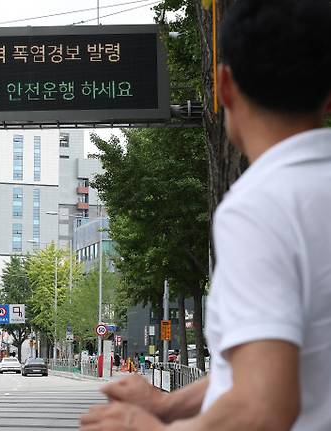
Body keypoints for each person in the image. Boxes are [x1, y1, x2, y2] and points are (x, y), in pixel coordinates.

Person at [80, 1, 331, 430]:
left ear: (225, 85)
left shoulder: (261, 206)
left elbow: (263, 404)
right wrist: (166, 405)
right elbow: (270, 361)